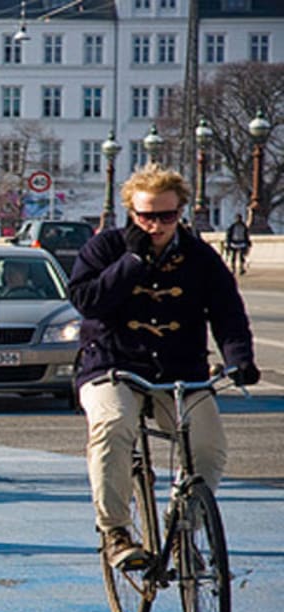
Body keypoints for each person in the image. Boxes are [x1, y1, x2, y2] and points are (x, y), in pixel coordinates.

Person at [68, 163, 259, 569]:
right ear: (130, 213)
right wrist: (133, 261)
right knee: (113, 425)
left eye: (166, 216)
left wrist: (239, 358)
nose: (156, 226)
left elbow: (227, 313)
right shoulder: (106, 248)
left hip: (180, 369)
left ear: (181, 213)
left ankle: (184, 528)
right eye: (146, 216)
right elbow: (86, 301)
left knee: (209, 445)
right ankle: (116, 532)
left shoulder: (200, 257)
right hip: (112, 363)